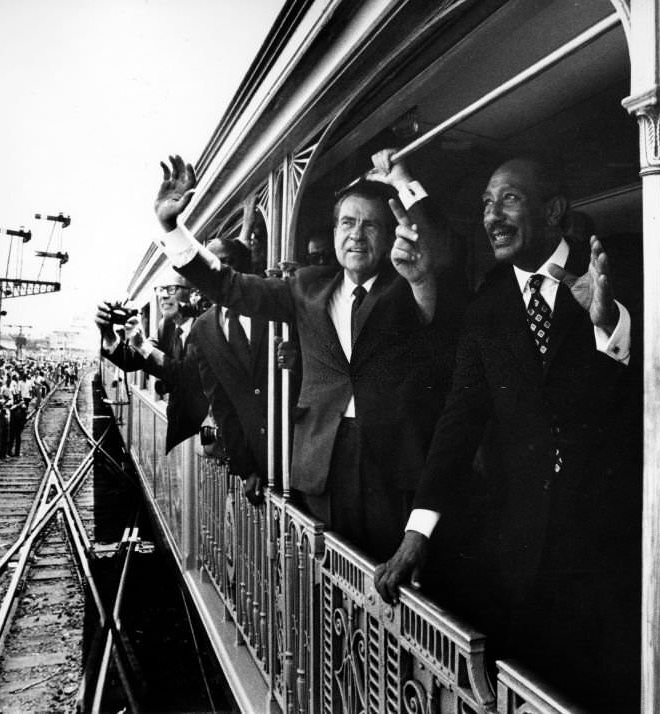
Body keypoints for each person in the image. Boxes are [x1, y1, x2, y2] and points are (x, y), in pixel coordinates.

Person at [373, 157, 639, 708]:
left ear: (554, 211)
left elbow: (658, 392)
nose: (493, 215)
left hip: (611, 534)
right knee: (534, 679)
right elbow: (459, 419)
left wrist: (609, 323)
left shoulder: (622, 272)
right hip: (522, 540)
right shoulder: (485, 306)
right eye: (487, 203)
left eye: (510, 199)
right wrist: (418, 530)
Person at [150, 152, 459, 561]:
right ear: (334, 234)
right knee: (328, 576)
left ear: (388, 237)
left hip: (394, 467)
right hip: (323, 465)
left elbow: (440, 253)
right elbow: (226, 285)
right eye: (347, 223)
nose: (357, 235)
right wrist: (172, 228)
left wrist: (404, 182)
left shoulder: (408, 284)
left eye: (370, 225)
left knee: (392, 589)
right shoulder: (307, 288)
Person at [188, 231, 270, 504]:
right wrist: (246, 468)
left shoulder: (271, 308)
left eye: (227, 263)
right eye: (211, 264)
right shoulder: (203, 328)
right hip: (255, 462)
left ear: (242, 268)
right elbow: (221, 403)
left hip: (294, 453)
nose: (219, 271)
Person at [96, 274, 208, 454]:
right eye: (160, 289)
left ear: (193, 293)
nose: (163, 295)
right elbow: (133, 360)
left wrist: (141, 343)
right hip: (179, 432)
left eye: (171, 289)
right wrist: (109, 334)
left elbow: (185, 376)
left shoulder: (205, 326)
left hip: (204, 435)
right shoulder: (167, 325)